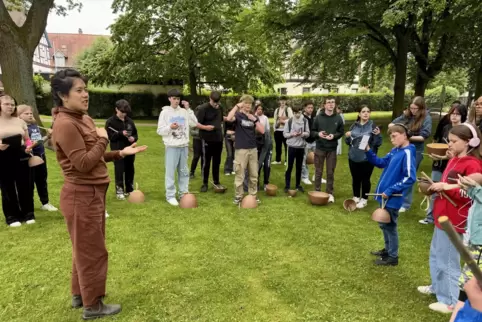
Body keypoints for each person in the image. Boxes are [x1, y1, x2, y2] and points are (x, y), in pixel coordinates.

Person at [51, 68, 147, 320]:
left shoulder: (82, 118)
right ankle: (93, 305)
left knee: (84, 248)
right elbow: (83, 163)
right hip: (80, 195)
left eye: (86, 89)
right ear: (63, 95)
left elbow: (92, 157)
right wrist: (104, 139)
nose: (85, 95)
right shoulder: (65, 124)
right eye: (79, 90)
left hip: (93, 193)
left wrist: (119, 154)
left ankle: (79, 294)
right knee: (92, 251)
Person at [418, 123, 482, 314]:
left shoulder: (472, 163)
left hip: (456, 219)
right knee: (436, 254)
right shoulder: (454, 160)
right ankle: (438, 287)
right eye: (449, 140)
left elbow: (474, 184)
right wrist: (437, 187)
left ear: (470, 142)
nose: (450, 145)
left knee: (448, 259)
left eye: (454, 141)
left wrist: (446, 187)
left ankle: (451, 300)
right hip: (442, 215)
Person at [366, 124, 417, 266]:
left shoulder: (407, 152)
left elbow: (410, 177)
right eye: (390, 136)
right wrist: (369, 151)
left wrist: (390, 190)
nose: (392, 139)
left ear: (404, 135)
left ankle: (393, 257)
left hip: (392, 197)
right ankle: (388, 250)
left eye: (394, 136)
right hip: (384, 196)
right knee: (384, 224)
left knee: (390, 226)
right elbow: (381, 163)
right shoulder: (395, 150)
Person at [420, 103, 467, 224]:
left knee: (450, 191)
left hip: (453, 166)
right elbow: (440, 144)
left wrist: (445, 156)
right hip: (439, 164)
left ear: (463, 116)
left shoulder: (465, 131)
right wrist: (437, 154)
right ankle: (430, 217)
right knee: (434, 189)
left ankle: (449, 217)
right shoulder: (446, 128)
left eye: (457, 114)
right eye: (452, 113)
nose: (454, 116)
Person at [389, 96, 432, 212]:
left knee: (408, 176)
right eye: (411, 108)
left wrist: (407, 136)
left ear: (421, 108)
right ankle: (397, 199)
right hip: (402, 148)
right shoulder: (407, 115)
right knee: (399, 174)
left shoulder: (426, 118)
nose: (413, 111)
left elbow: (423, 137)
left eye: (415, 109)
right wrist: (401, 129)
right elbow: (392, 124)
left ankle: (405, 203)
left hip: (415, 150)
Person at [157, 89, 199, 206]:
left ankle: (183, 193)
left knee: (184, 172)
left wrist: (188, 109)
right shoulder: (165, 113)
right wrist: (170, 127)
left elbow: (194, 123)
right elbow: (160, 130)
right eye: (174, 98)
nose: (176, 101)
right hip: (171, 146)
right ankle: (170, 195)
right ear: (169, 99)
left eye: (178, 99)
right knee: (170, 172)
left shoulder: (184, 112)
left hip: (184, 146)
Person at [449, 173, 482, 322]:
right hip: (475, 244)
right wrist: (471, 189)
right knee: (466, 288)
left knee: (469, 288)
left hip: (480, 247)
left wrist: (474, 189)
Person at [0, 95, 35, 227]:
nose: (10, 106)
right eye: (7, 104)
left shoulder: (20, 121)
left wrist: (28, 146)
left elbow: (27, 139)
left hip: (20, 154)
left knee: (24, 184)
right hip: (3, 155)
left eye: (12, 104)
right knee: (7, 186)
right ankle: (12, 216)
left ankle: (28, 213)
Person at [17, 104, 58, 212]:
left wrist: (47, 137)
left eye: (31, 113)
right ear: (19, 116)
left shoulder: (35, 126)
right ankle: (27, 204)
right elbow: (27, 145)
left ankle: (45, 202)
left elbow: (40, 143)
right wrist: (42, 139)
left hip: (41, 157)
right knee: (29, 183)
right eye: (26, 113)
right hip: (29, 158)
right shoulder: (20, 128)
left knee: (42, 180)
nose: (30, 115)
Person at [226, 95, 265, 204]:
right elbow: (228, 118)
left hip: (253, 149)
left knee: (254, 174)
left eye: (250, 103)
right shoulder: (237, 115)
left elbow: (262, 131)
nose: (248, 105)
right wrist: (236, 107)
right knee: (240, 174)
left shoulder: (253, 117)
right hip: (241, 150)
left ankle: (253, 195)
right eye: (246, 103)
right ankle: (238, 196)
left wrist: (255, 120)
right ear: (242, 104)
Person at [345, 105, 382, 209]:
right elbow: (348, 142)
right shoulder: (354, 126)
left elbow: (378, 143)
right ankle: (356, 196)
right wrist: (347, 137)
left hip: (367, 158)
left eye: (368, 111)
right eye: (363, 111)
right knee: (355, 178)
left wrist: (378, 135)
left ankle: (364, 199)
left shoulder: (373, 126)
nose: (366, 113)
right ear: (359, 114)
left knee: (365, 179)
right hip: (353, 156)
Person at [310, 96, 344, 203]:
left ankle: (330, 193)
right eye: (328, 102)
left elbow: (341, 132)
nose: (331, 104)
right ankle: (317, 191)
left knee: (330, 172)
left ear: (335, 105)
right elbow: (312, 131)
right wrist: (318, 134)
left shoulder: (338, 118)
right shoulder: (318, 118)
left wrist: (334, 136)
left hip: (332, 149)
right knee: (318, 171)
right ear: (324, 105)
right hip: (320, 147)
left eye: (333, 102)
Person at [105, 99, 139, 200]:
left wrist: (134, 138)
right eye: (121, 112)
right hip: (117, 150)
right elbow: (109, 136)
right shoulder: (110, 122)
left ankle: (129, 189)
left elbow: (135, 133)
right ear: (116, 109)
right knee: (119, 169)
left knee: (130, 169)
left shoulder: (130, 121)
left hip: (130, 149)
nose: (124, 114)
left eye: (125, 112)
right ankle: (119, 190)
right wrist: (120, 133)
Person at [196, 91, 224, 192]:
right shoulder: (203, 108)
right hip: (206, 138)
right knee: (206, 161)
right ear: (210, 98)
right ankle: (204, 182)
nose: (215, 104)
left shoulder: (220, 108)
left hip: (218, 138)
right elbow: (196, 123)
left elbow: (221, 120)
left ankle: (216, 181)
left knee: (217, 161)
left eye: (217, 102)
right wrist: (205, 127)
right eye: (214, 101)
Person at [283, 105, 310, 193]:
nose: (297, 115)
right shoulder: (289, 121)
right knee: (289, 167)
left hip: (301, 147)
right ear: (293, 113)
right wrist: (292, 134)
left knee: (299, 167)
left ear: (301, 112)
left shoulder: (305, 121)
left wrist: (303, 134)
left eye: (298, 113)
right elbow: (285, 134)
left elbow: (308, 133)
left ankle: (298, 185)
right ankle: (287, 186)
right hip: (291, 147)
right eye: (295, 113)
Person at [272, 96, 293, 165]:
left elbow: (291, 119)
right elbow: (275, 120)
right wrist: (275, 129)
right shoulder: (277, 110)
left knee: (286, 146)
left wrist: (284, 121)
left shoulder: (288, 109)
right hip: (278, 130)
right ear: (279, 101)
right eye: (281, 100)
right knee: (278, 146)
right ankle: (278, 160)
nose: (282, 102)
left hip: (285, 130)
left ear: (286, 102)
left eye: (284, 100)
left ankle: (287, 160)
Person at [301, 101, 316, 185]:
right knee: (303, 160)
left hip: (314, 141)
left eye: (312, 108)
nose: (310, 109)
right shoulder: (302, 118)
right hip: (305, 141)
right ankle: (305, 177)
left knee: (318, 159)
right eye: (309, 108)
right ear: (305, 108)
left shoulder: (314, 117)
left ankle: (317, 176)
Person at [189, 103, 203, 179]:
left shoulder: (206, 119)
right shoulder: (193, 120)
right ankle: (192, 172)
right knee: (196, 156)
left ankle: (203, 171)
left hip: (205, 140)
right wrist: (200, 133)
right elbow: (191, 132)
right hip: (197, 140)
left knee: (204, 156)